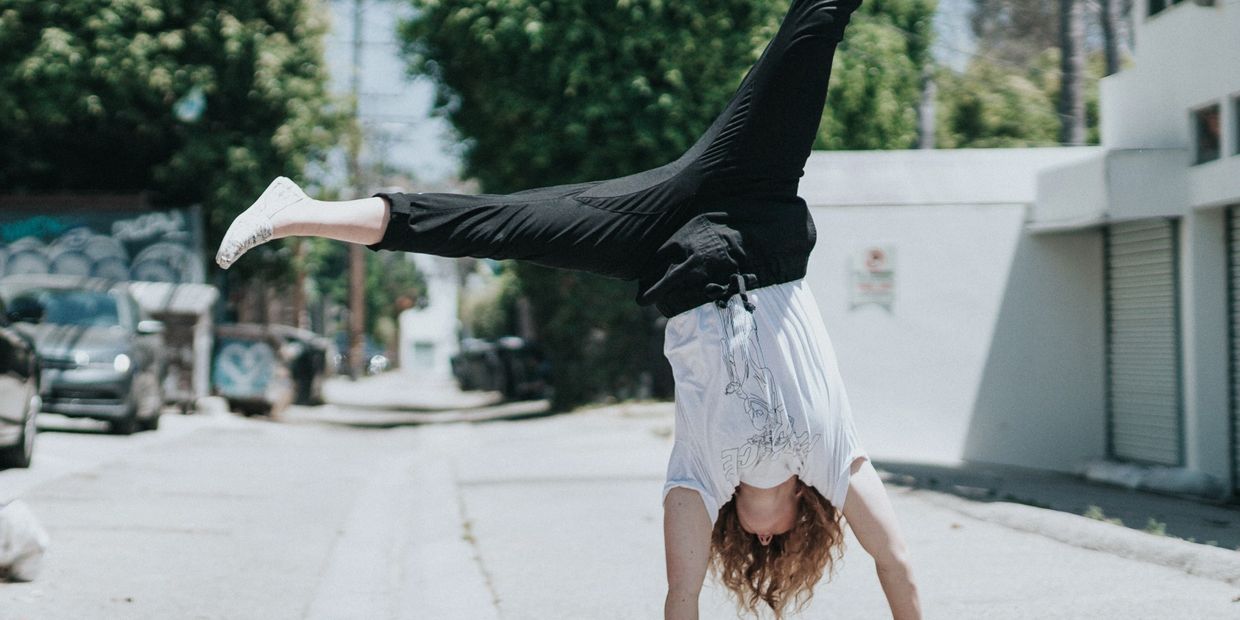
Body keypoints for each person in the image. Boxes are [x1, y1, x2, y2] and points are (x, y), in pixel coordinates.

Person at [216, 0, 921, 618]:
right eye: (783, 539)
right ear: (807, 518)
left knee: (499, 225)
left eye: (755, 544)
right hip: (753, 206)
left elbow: (681, 599)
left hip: (665, 254)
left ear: (736, 531)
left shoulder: (698, 481)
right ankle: (300, 207)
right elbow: (895, 564)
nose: (766, 539)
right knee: (814, 27)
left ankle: (297, 212)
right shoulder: (835, 461)